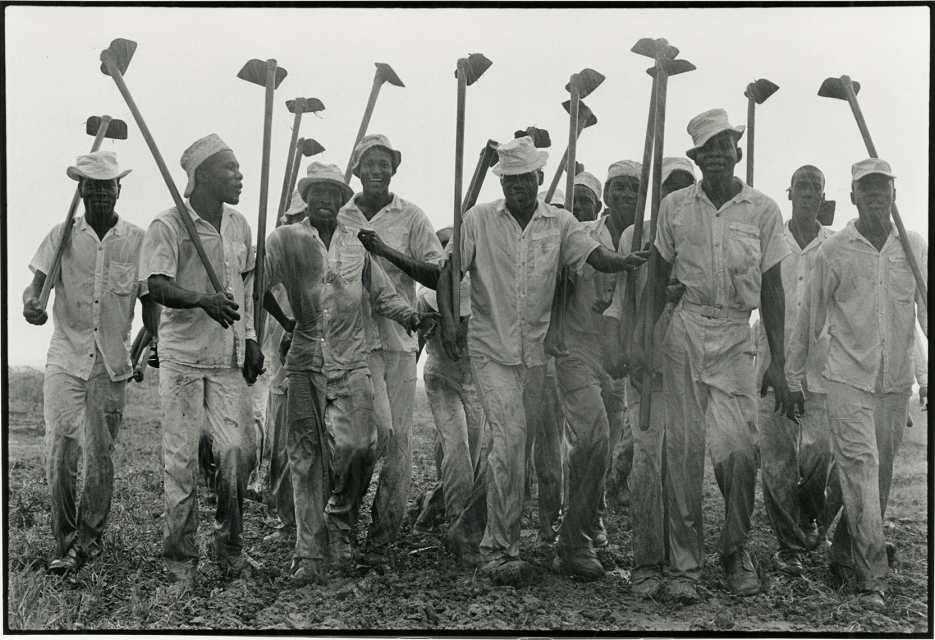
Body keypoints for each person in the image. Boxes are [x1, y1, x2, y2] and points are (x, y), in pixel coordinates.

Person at [437, 136, 649, 585]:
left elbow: (593, 256)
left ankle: (470, 530)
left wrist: (623, 261)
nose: (518, 186)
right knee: (511, 441)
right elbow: (448, 270)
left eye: (525, 178)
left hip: (535, 354)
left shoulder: (561, 222)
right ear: (503, 181)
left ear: (538, 177)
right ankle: (499, 549)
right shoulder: (477, 219)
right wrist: (452, 320)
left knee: (517, 447)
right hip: (491, 348)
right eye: (510, 179)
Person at [633, 110, 791, 602]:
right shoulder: (675, 206)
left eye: (726, 145)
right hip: (685, 330)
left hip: (734, 336)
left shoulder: (762, 209)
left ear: (737, 152)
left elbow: (773, 290)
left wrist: (779, 361)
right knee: (682, 453)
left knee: (741, 451)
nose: (718, 155)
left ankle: (734, 548)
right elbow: (656, 280)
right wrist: (642, 341)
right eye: (708, 149)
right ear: (697, 158)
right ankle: (684, 567)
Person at [262, 162, 436, 585]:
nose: (325, 200)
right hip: (304, 361)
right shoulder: (284, 240)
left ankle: (340, 523)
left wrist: (411, 318)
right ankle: (310, 553)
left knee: (363, 445)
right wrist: (287, 325)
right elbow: (259, 287)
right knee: (305, 457)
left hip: (350, 361)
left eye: (333, 193)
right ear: (306, 197)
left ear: (343, 200)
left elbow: (381, 295)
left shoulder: (356, 244)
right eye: (317, 192)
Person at [785, 158, 927, 613]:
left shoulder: (914, 246)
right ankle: (872, 580)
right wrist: (792, 376)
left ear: (894, 194)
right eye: (865, 189)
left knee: (877, 480)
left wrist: (926, 377)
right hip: (847, 380)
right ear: (851, 197)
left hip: (894, 382)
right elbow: (810, 319)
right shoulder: (835, 251)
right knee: (862, 474)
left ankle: (844, 553)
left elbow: (923, 313)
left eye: (882, 187)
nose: (874, 195)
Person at [141, 134, 265, 594]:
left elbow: (246, 290)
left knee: (237, 453)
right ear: (203, 175)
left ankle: (230, 547)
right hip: (183, 359)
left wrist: (250, 338)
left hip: (228, 357)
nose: (239, 176)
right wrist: (202, 300)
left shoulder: (239, 226)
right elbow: (156, 286)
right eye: (230, 168)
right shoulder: (168, 224)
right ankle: (180, 564)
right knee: (181, 462)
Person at [24, 150, 157, 574]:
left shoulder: (138, 240)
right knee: (59, 451)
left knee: (100, 455)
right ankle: (64, 543)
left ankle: (87, 542)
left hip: (111, 363)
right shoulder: (61, 235)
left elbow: (149, 303)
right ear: (81, 190)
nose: (100, 194)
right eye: (92, 186)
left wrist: (155, 341)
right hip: (65, 357)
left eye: (107, 186)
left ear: (120, 189)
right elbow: (36, 287)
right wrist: (31, 305)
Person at [344, 134, 445, 571]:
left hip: (401, 342)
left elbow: (437, 274)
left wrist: (385, 252)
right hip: (351, 341)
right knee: (367, 438)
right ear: (357, 169)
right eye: (370, 163)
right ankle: (342, 525)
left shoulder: (412, 216)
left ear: (394, 169)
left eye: (385, 163)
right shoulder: (339, 212)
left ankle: (381, 540)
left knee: (399, 442)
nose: (378, 170)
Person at [604, 156, 697, 597]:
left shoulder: (700, 230)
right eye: (669, 187)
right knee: (646, 460)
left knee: (681, 464)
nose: (678, 195)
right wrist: (624, 348)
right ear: (657, 193)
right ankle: (646, 562)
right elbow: (623, 299)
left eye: (686, 186)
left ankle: (684, 563)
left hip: (692, 368)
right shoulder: (634, 235)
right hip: (646, 364)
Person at [543, 169, 629, 579]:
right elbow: (561, 280)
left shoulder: (648, 234)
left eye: (635, 186)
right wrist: (556, 325)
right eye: (620, 188)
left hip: (618, 358)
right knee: (593, 436)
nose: (628, 194)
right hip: (576, 349)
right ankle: (572, 541)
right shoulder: (582, 233)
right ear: (607, 197)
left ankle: (589, 521)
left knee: (604, 448)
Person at [754, 165, 835, 577]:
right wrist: (770, 360)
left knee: (821, 451)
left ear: (824, 196)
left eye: (815, 187)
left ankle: (808, 514)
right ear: (789, 193)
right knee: (778, 460)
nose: (808, 193)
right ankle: (789, 545)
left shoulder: (835, 245)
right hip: (773, 363)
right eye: (801, 185)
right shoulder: (770, 240)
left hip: (823, 370)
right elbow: (753, 296)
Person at [411, 227, 488, 533]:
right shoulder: (426, 300)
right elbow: (416, 342)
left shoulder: (483, 295)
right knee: (457, 449)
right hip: (441, 375)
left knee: (470, 455)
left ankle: (432, 503)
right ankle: (459, 523)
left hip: (474, 380)